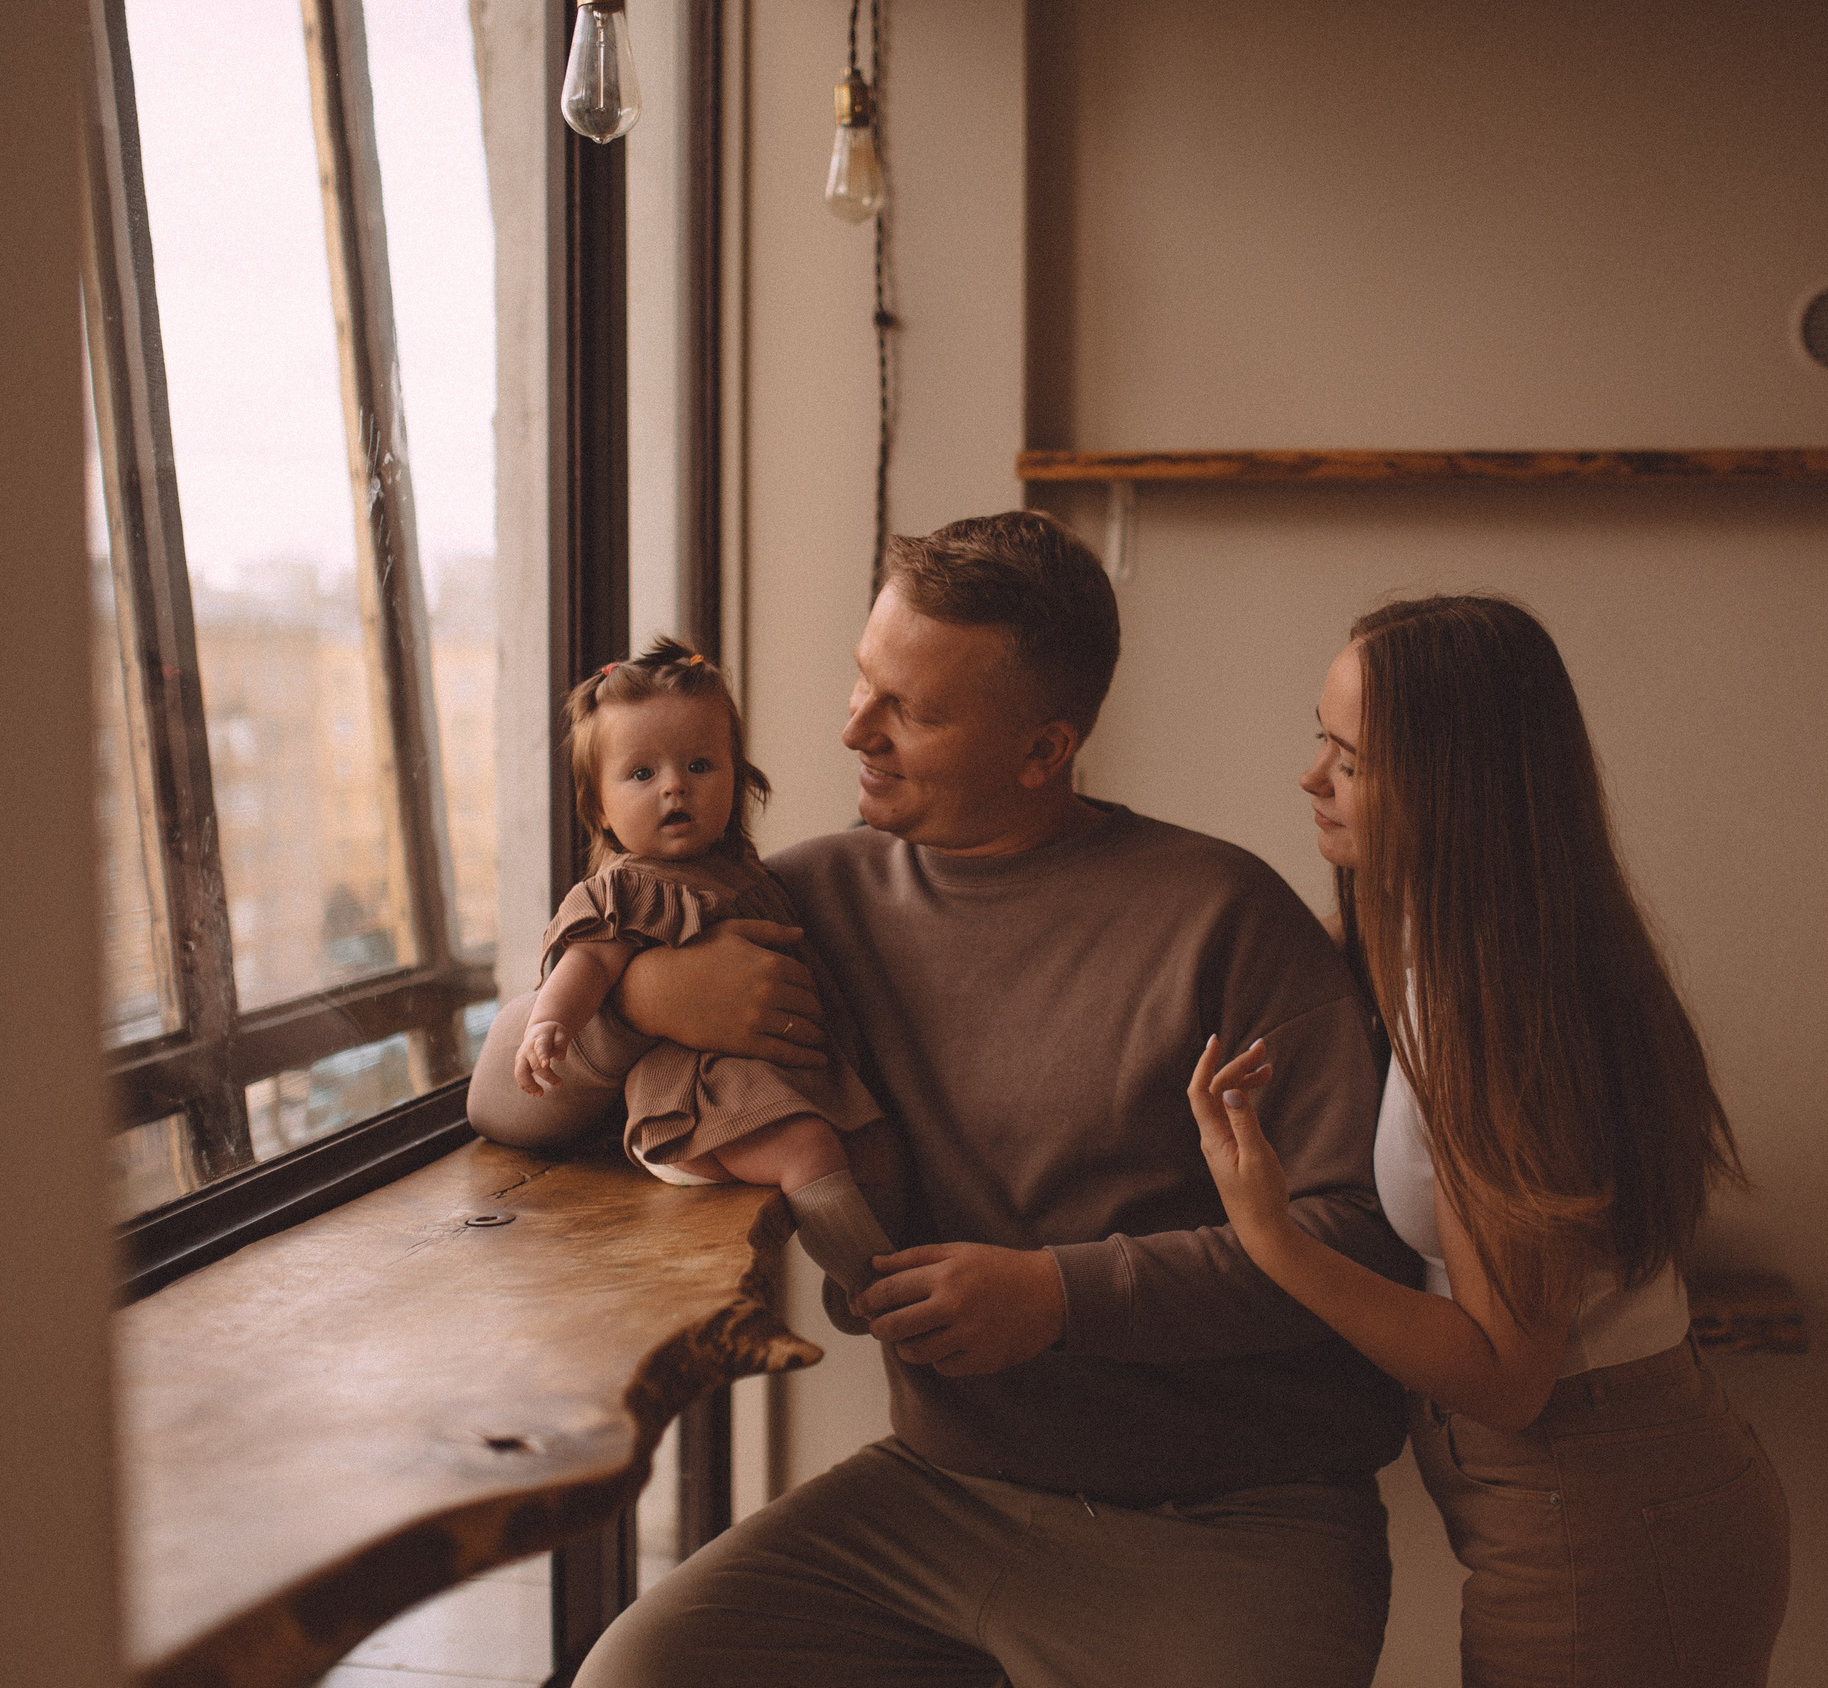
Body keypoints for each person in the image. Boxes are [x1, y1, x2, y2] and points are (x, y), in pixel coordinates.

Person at [468, 511, 1420, 1688]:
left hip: (1237, 1525)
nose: (852, 730)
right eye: (864, 684)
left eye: (908, 712)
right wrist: (648, 998)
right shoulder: (796, 901)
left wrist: (1058, 1297)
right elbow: (503, 1103)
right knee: (636, 1677)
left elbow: (1358, 1240)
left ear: (1041, 751)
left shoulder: (1221, 918)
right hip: (941, 1501)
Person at [1186, 595, 1791, 1688]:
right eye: (1318, 737)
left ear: (1452, 793)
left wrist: (1273, 1240)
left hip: (1606, 1514)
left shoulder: (1491, 1016)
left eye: (1351, 761)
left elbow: (1510, 1378)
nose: (1311, 778)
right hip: (1599, 1495)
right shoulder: (1430, 935)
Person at [516, 637, 899, 1314]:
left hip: (785, 1074)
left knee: (877, 1148)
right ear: (599, 807)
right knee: (808, 1148)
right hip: (696, 1102)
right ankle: (876, 1295)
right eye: (641, 774)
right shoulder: (625, 888)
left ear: (737, 776)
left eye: (700, 764)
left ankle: (872, 1270)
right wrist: (550, 1023)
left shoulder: (748, 874)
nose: (674, 786)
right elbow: (587, 963)